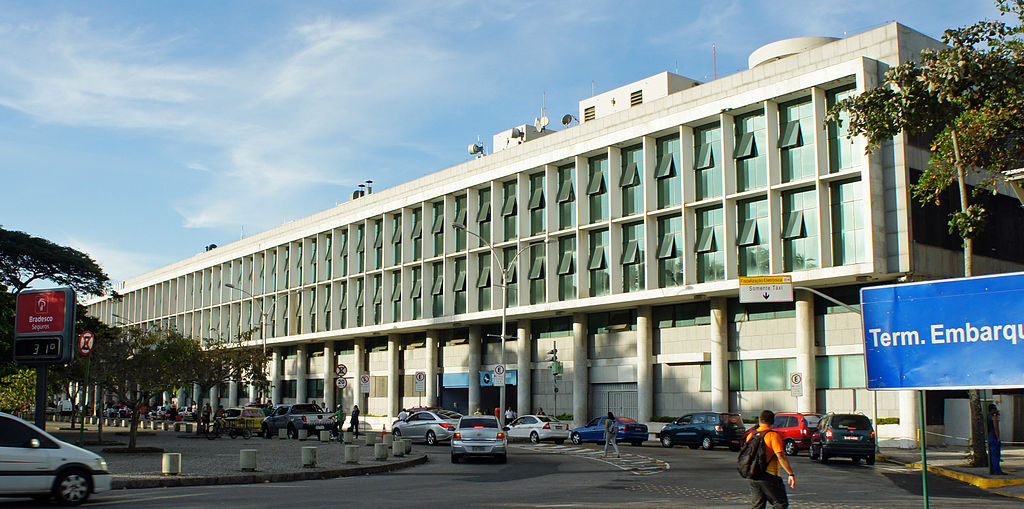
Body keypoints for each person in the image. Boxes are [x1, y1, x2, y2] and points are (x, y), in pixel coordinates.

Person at [746, 410, 796, 509]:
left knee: (758, 506)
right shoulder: (773, 436)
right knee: (780, 504)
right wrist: (790, 473)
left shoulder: (751, 435)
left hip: (752, 475)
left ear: (760, 420)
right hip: (769, 476)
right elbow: (780, 456)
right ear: (773, 422)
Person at [988, 403, 1005, 475]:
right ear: (992, 410)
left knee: (992, 454)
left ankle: (993, 469)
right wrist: (998, 437)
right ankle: (996, 470)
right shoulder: (993, 417)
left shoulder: (987, 416)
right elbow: (996, 428)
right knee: (996, 454)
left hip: (989, 436)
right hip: (993, 436)